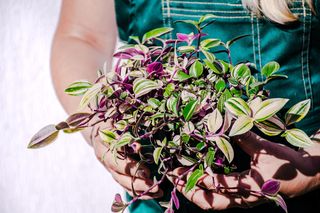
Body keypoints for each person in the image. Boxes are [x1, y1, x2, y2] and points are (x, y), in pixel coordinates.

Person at [51, 0, 320, 212]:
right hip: (163, 196)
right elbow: (83, 36)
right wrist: (100, 127)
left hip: (303, 187)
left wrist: (313, 167)